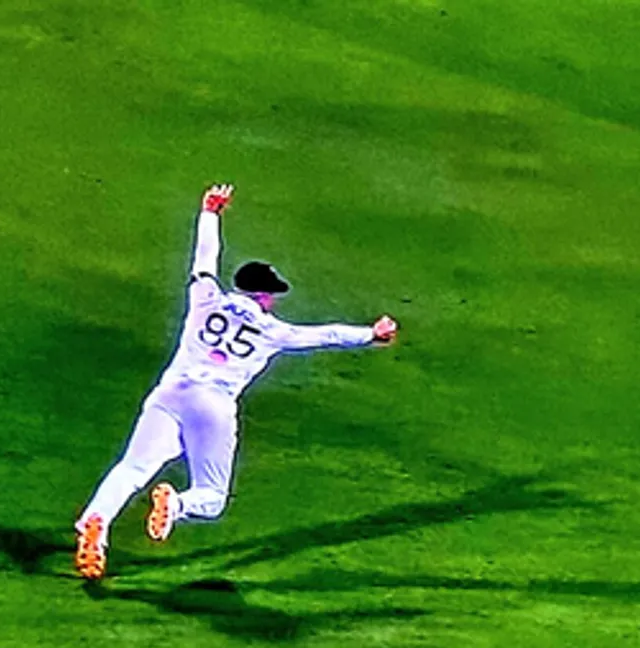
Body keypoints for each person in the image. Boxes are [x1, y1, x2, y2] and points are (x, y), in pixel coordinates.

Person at [74, 183, 399, 579]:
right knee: (211, 498)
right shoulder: (273, 331)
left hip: (171, 393)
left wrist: (210, 212)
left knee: (132, 468)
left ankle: (96, 524)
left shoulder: (206, 296)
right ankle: (176, 505)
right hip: (213, 406)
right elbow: (325, 334)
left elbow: (204, 258)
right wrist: (371, 334)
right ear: (263, 295)